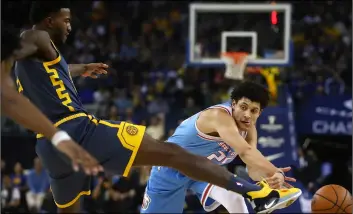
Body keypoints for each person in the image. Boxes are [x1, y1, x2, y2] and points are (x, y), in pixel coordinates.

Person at [14, 1, 298, 213]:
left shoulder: (34, 67)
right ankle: (256, 194)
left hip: (50, 145)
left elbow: (58, 71)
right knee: (173, 154)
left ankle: (255, 193)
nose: (69, 26)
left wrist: (82, 68)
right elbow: (23, 42)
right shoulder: (37, 37)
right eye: (65, 20)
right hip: (79, 129)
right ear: (49, 21)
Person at [142, 81, 302, 213]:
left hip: (203, 172)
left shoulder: (249, 127)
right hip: (170, 171)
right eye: (243, 107)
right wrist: (276, 171)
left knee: (235, 195)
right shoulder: (219, 116)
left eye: (253, 111)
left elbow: (252, 167)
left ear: (259, 113)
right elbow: (246, 152)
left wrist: (271, 180)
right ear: (233, 104)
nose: (247, 114)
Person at [1, 22, 102, 175]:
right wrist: (60, 138)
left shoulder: (29, 67)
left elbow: (53, 72)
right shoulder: (21, 60)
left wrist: (82, 68)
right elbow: (8, 98)